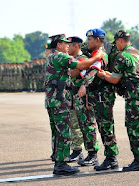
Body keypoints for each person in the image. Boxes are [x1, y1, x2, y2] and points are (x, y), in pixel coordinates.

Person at [44, 34, 104, 175]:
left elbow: (71, 72)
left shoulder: (51, 56)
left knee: (58, 132)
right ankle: (61, 164)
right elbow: (81, 65)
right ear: (58, 44)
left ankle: (59, 161)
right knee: (64, 132)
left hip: (52, 100)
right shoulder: (60, 56)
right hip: (59, 100)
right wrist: (97, 57)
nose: (67, 46)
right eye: (65, 44)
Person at [97, 29, 139, 172]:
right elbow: (123, 74)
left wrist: (102, 75)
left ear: (120, 40)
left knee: (134, 126)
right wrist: (108, 74)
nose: (116, 46)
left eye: (116, 42)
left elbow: (114, 79)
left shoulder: (122, 56)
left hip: (134, 93)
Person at [77, 28, 119, 170]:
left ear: (97, 40)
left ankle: (112, 158)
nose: (87, 42)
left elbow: (94, 70)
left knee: (106, 126)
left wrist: (84, 85)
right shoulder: (94, 53)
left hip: (103, 95)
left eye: (90, 39)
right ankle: (110, 158)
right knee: (102, 126)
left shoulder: (100, 54)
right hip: (97, 95)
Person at [66, 36, 86, 162]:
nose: (67, 47)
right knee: (73, 124)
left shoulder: (82, 60)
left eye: (70, 45)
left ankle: (79, 150)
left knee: (81, 124)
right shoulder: (73, 60)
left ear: (76, 46)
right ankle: (76, 150)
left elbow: (72, 74)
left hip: (81, 97)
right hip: (72, 95)